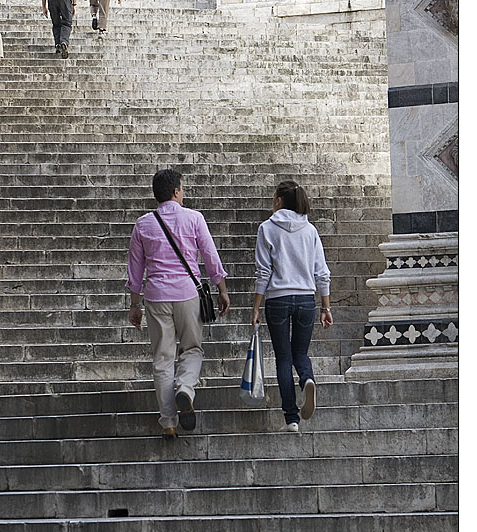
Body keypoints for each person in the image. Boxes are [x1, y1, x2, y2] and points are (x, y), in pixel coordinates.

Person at [126, 170, 230, 438]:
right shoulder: (194, 218)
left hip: (157, 295)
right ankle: (185, 387)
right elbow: (209, 254)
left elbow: (135, 268)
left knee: (162, 358)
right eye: (181, 189)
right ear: (175, 191)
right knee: (193, 349)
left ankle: (169, 421)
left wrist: (134, 303)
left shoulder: (143, 224)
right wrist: (221, 289)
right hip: (187, 294)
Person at [251, 181, 333, 433]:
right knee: (300, 354)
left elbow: (263, 271)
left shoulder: (267, 229)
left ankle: (291, 419)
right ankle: (307, 379)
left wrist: (256, 306)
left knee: (283, 358)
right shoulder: (310, 231)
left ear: (278, 201)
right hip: (307, 299)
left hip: (277, 300)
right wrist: (325, 307)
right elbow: (322, 272)